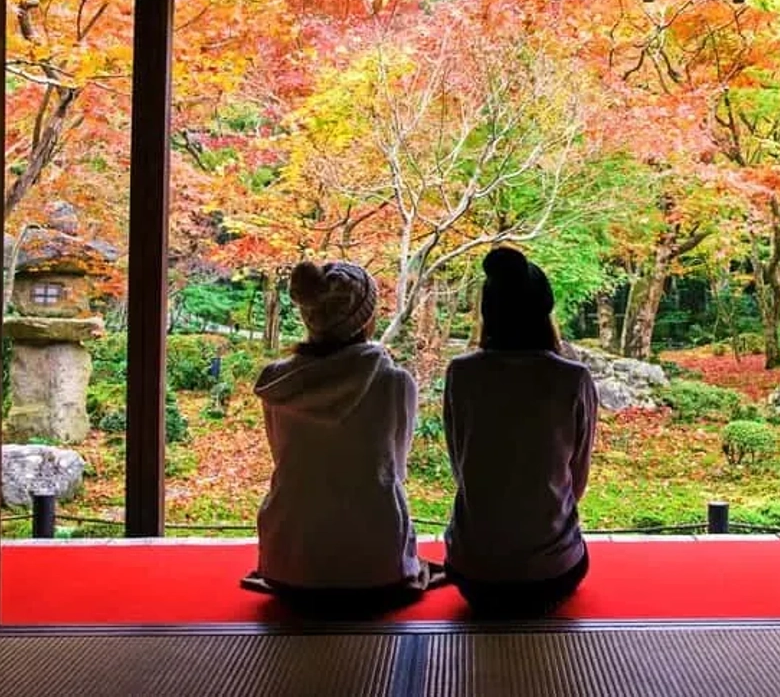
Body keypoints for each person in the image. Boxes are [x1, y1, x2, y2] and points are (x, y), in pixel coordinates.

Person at [241, 259, 444, 617]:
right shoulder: (394, 383)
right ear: (365, 318)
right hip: (375, 567)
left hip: (288, 560)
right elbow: (396, 469)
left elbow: (281, 457)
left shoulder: (278, 382)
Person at [443, 246, 599, 618]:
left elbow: (459, 461)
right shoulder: (571, 378)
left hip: (472, 573)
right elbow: (576, 479)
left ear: (488, 313)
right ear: (544, 312)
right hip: (552, 572)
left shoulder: (461, 374)